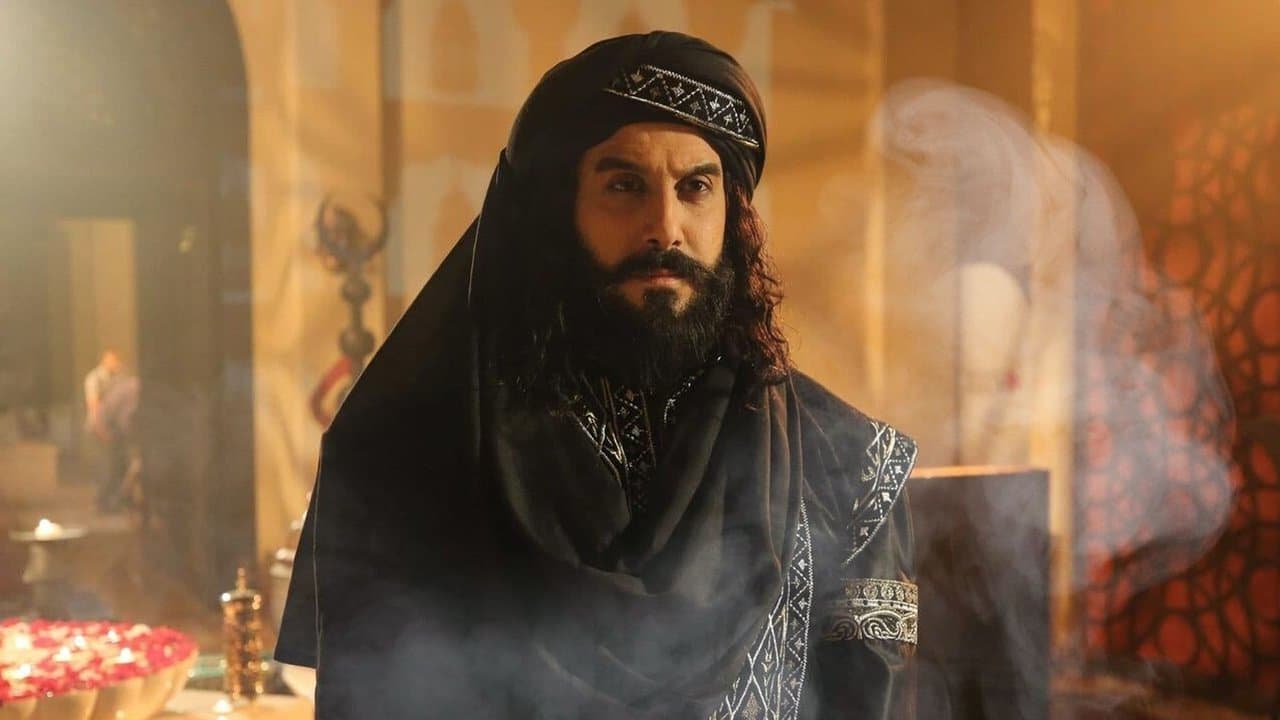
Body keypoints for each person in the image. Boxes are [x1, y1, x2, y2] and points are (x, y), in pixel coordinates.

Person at [277, 31, 919, 719]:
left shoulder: (852, 471)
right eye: (624, 186)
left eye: (695, 188)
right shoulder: (410, 456)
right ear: (556, 211)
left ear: (732, 214)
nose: (664, 227)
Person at [84, 349, 134, 513]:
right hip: (99, 426)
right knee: (104, 467)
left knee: (119, 466)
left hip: (116, 428)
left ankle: (117, 502)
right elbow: (94, 405)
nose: (115, 364)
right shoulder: (94, 379)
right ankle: (101, 504)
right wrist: (101, 429)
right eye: (112, 361)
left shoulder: (121, 378)